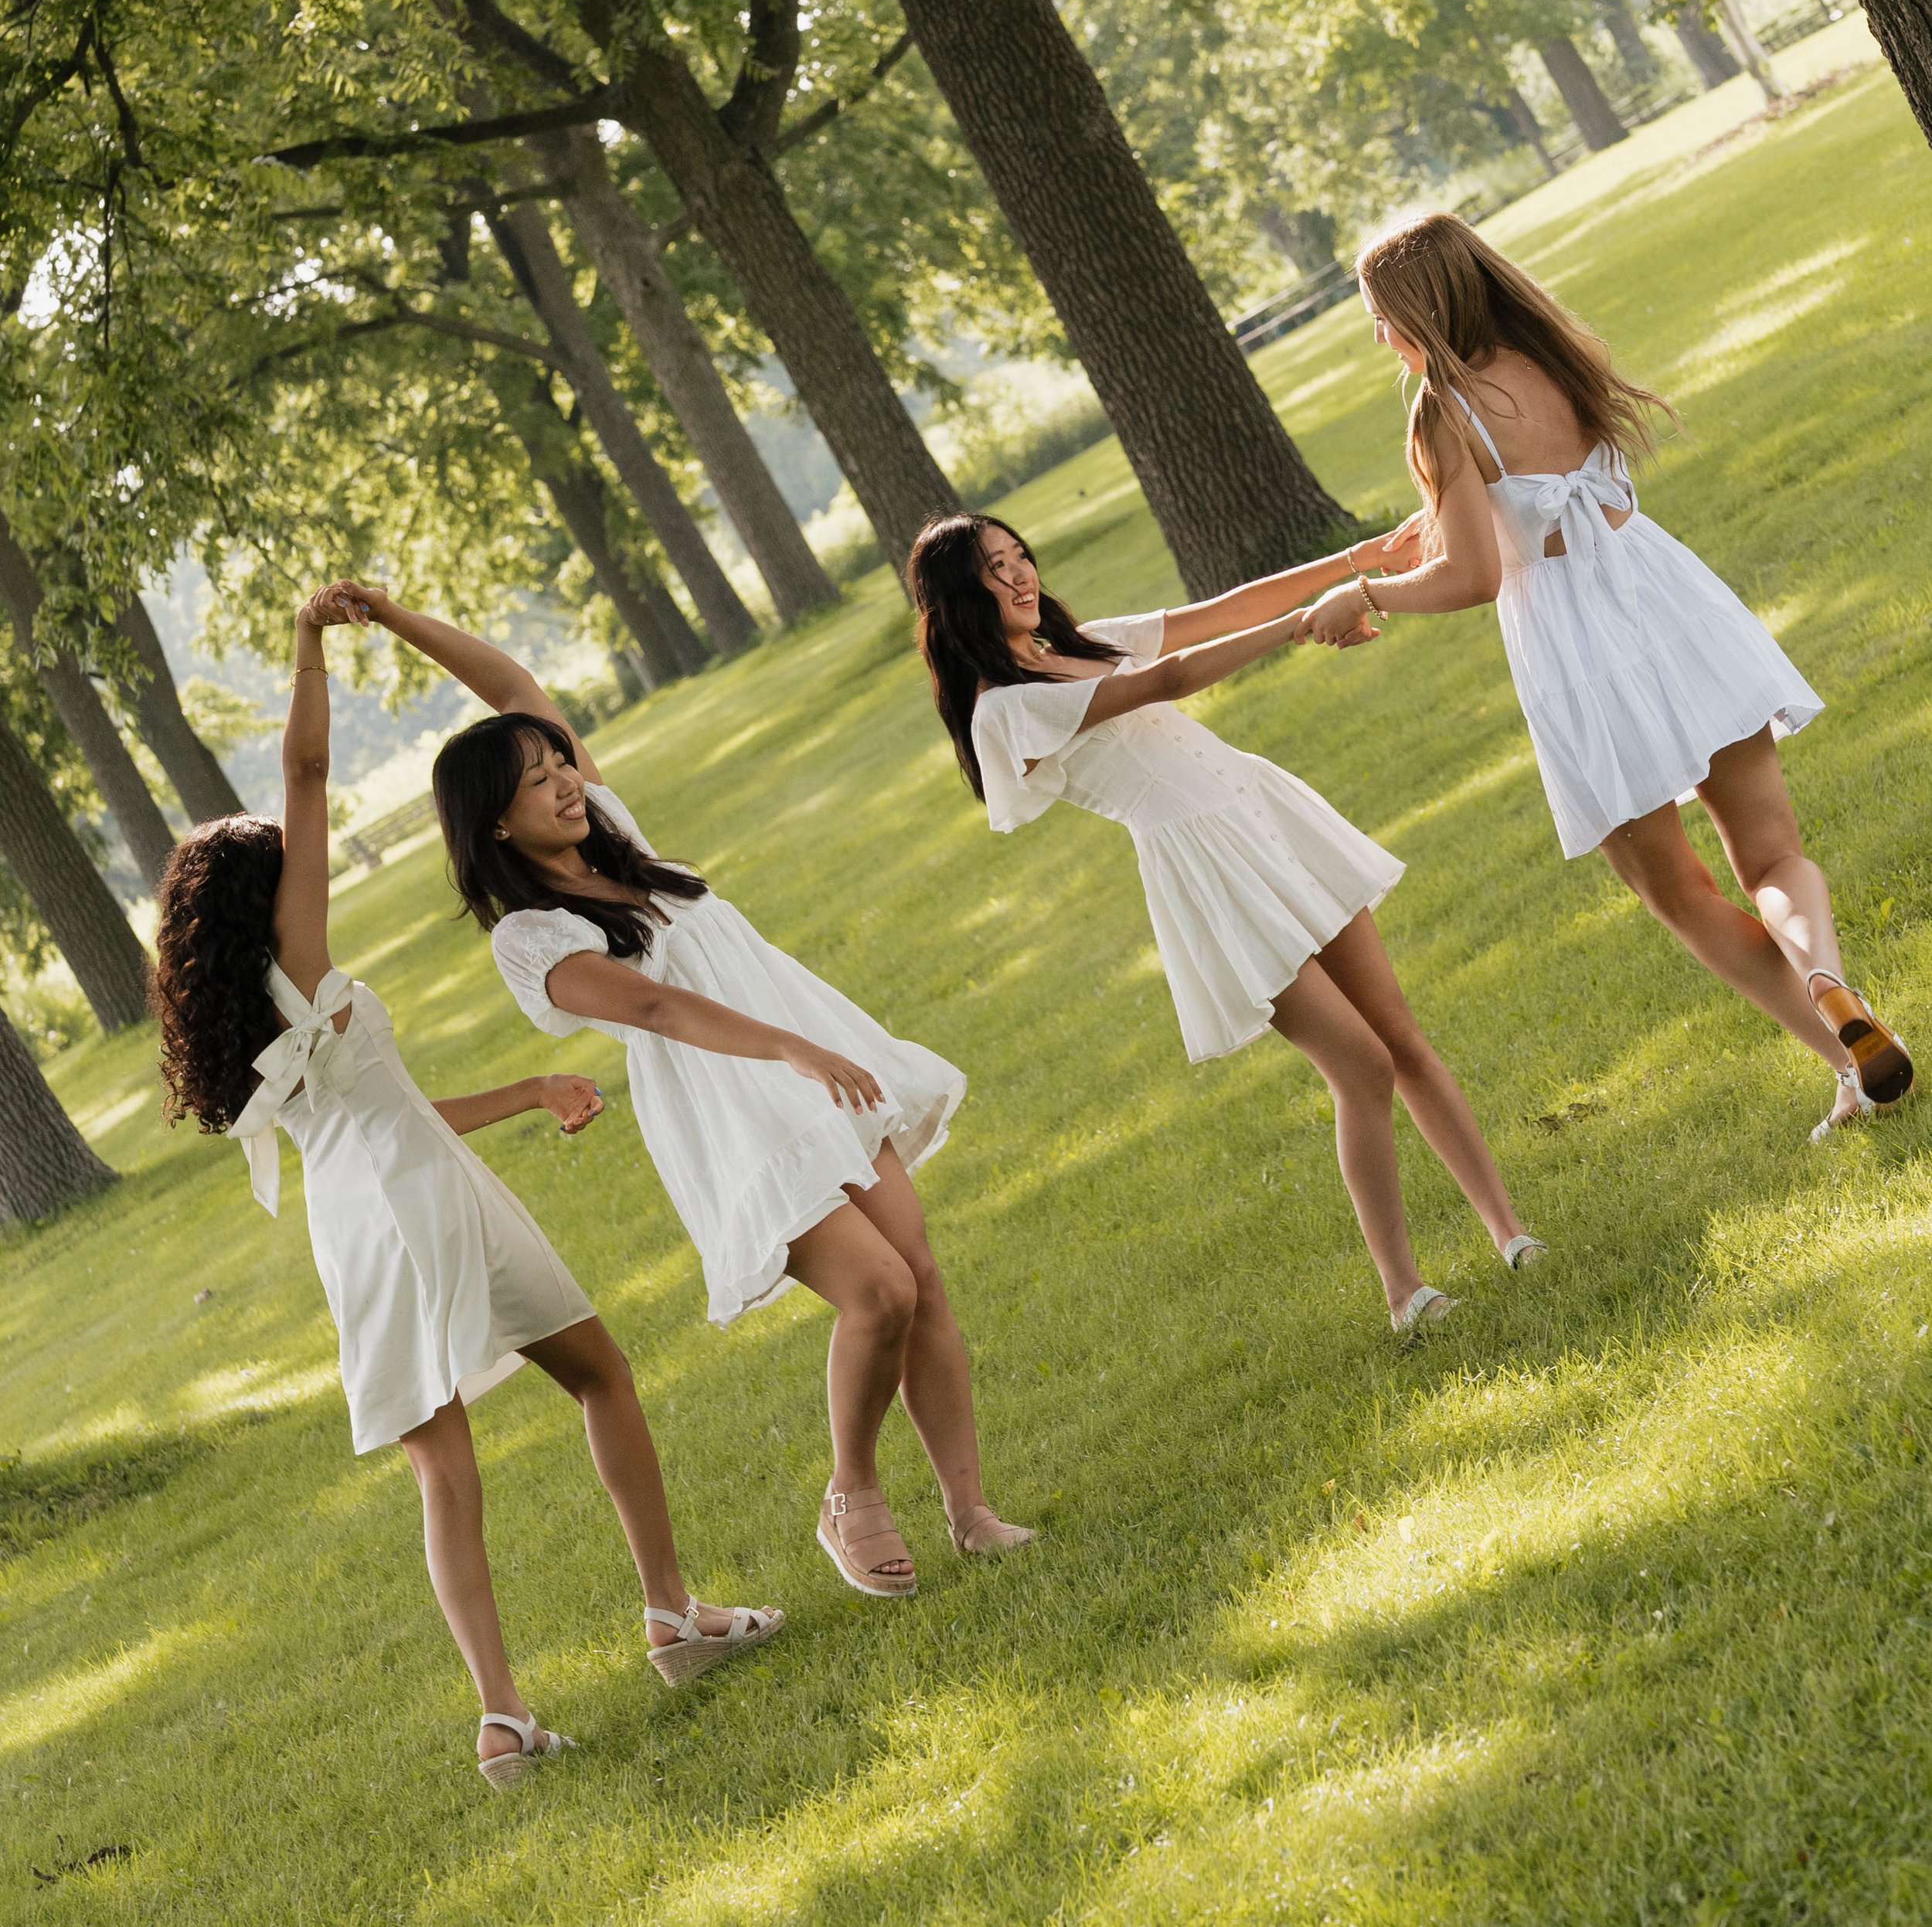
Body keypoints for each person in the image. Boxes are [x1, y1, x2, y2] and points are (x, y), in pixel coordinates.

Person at [154, 590, 782, 1792]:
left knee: (447, 1468)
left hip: (365, 1220)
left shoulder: (244, 1019)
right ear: (263, 887)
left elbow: (381, 1116)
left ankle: (505, 1717)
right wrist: (306, 641)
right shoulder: (303, 951)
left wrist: (535, 1086)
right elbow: (306, 763)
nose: (302, 850)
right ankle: (669, 1611)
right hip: (431, 1196)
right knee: (598, 1373)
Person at [318, 582, 1031, 1599]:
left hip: (804, 1056)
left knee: (920, 1273)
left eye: (559, 760)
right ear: (498, 827)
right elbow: (653, 1013)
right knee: (879, 1292)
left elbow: (515, 682)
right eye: (534, 780)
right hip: (733, 1111)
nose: (564, 779)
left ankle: (971, 1513)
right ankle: (853, 1492)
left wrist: (391, 618)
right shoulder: (532, 941)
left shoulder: (613, 830)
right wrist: (791, 1050)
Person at [1302, 209, 1910, 1140]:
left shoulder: (1440, 410)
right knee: (1771, 854)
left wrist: (1369, 596)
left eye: (1381, 316)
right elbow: (1541, 500)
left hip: (1577, 648)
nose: (1379, 337)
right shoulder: (1557, 352)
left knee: (1677, 891)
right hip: (1670, 604)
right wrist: (1422, 531)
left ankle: (1842, 1057)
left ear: (1420, 311)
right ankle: (1824, 974)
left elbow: (1474, 575)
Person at [907, 512, 1540, 1337]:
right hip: (1207, 869)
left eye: (1020, 555)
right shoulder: (1004, 711)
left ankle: (1512, 1233)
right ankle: (1405, 1294)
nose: (1021, 574)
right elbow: (1165, 680)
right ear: (960, 594)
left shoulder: (1087, 641)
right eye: (995, 568)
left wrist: (1356, 560)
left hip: (1260, 813)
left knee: (1399, 1035)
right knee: (1361, 1065)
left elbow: (1218, 610)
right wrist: (1307, 623)